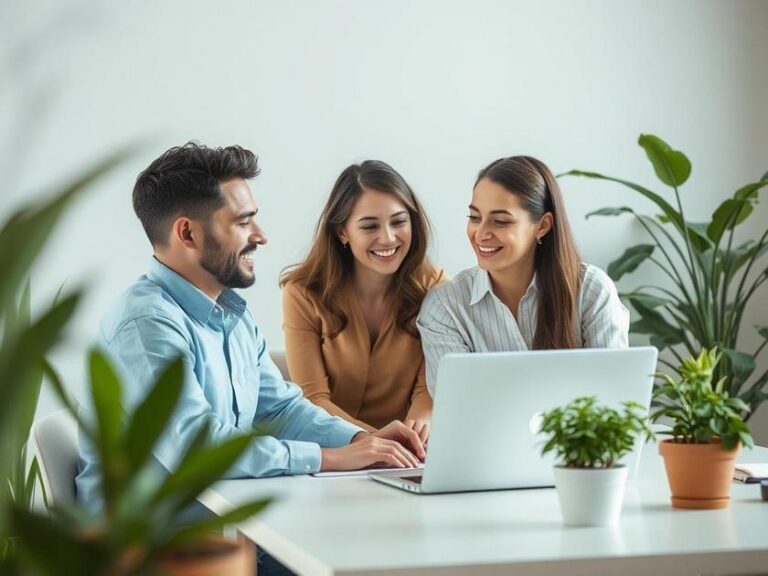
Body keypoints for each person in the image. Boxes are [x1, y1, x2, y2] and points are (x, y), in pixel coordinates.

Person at [76, 143, 426, 508]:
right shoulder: (146, 325)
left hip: (222, 518)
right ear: (188, 234)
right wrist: (328, 458)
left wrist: (361, 441)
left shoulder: (233, 314)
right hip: (154, 536)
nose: (260, 236)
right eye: (243, 222)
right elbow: (196, 447)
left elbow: (280, 410)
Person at [416, 155, 629, 394]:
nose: (481, 233)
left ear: (543, 225)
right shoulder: (445, 307)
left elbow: (613, 393)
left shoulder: (592, 290)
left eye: (500, 221)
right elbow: (456, 402)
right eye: (475, 218)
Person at [280, 161, 443, 441]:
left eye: (399, 222)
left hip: (410, 450)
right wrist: (373, 441)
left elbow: (428, 388)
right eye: (369, 226)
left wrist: (410, 439)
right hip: (332, 447)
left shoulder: (435, 287)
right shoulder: (303, 293)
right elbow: (313, 399)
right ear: (342, 232)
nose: (388, 238)